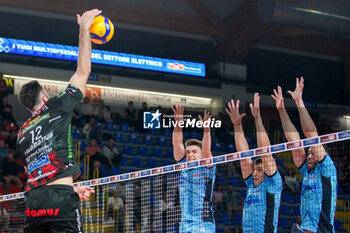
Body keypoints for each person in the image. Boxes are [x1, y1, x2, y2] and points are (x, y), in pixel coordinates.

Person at [16, 9, 100, 233]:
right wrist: (84, 29)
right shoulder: (55, 107)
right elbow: (83, 71)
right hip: (60, 201)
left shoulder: (21, 133)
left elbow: (31, 169)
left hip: (34, 204)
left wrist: (70, 189)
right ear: (44, 98)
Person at [272, 77, 337, 233]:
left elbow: (312, 136)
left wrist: (299, 102)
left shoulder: (327, 169)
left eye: (312, 154)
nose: (309, 156)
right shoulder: (307, 172)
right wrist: (281, 110)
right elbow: (294, 141)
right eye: (308, 154)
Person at [226, 93, 282, 233]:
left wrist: (257, 118)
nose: (255, 173)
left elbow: (265, 152)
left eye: (260, 170)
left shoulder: (273, 184)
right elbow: (244, 156)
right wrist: (237, 126)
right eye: (255, 170)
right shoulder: (251, 183)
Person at [172, 104, 216, 232]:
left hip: (203, 222)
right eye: (188, 152)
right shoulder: (183, 166)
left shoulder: (207, 168)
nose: (190, 155)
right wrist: (178, 124)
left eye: (194, 152)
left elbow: (207, 151)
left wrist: (206, 130)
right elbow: (177, 143)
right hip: (185, 223)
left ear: (201, 154)